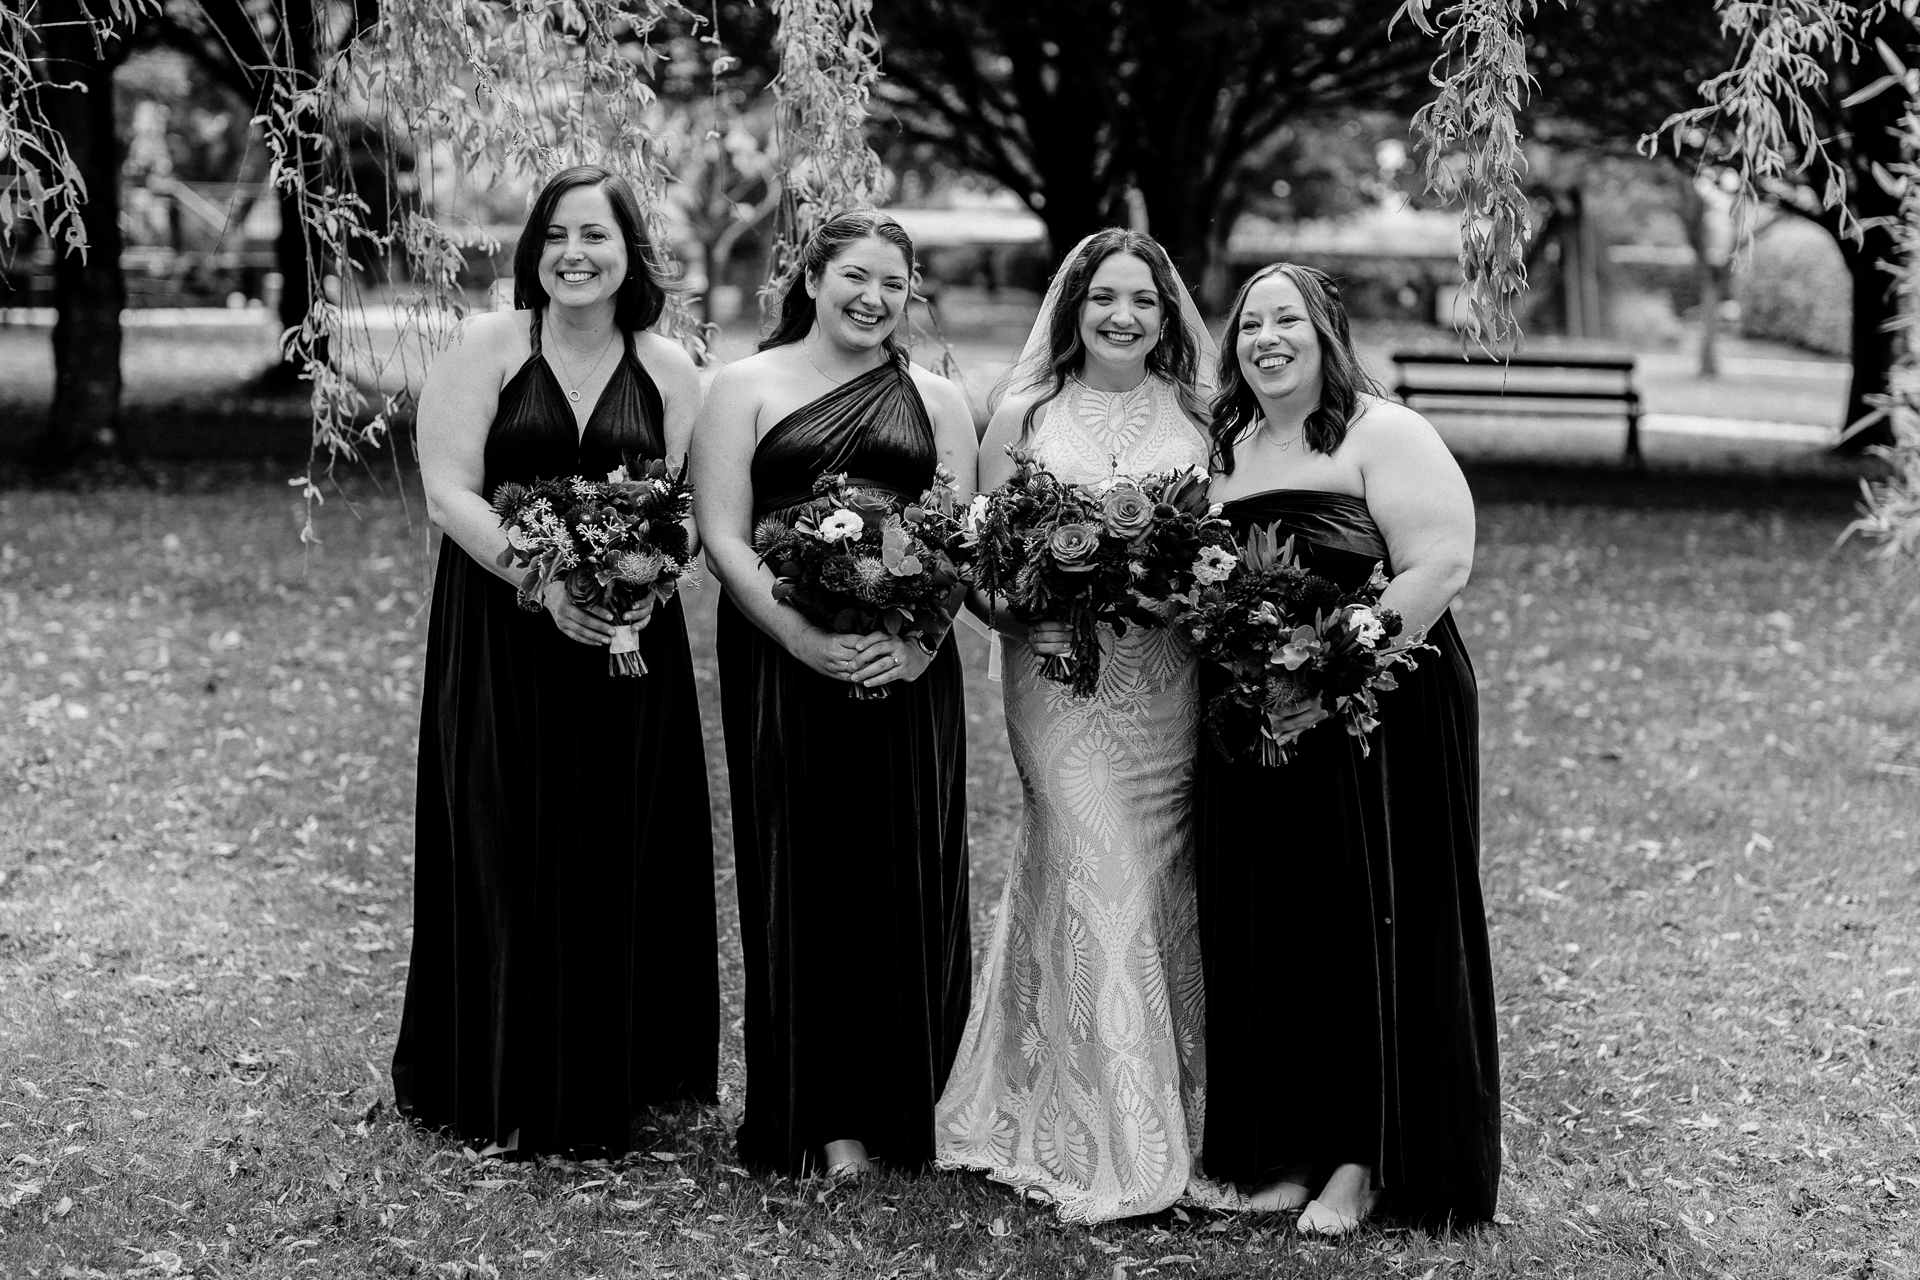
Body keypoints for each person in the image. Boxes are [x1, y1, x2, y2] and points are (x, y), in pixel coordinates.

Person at [393, 165, 717, 1158]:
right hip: (500, 631)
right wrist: (546, 581)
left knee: (613, 837)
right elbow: (449, 489)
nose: (575, 252)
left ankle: (610, 1071)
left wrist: (627, 583)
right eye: (557, 235)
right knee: (500, 827)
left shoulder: (670, 369)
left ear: (631, 255)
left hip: (626, 644)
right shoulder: (490, 347)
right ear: (535, 250)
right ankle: (489, 1070)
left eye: (598, 236)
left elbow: (691, 511)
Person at [1194, 263, 1498, 1233]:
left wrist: (1330, 667)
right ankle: (1286, 1144)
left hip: (1382, 713)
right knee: (1281, 929)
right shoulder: (1226, 445)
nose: (1266, 338)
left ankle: (1365, 1159)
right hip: (1261, 722)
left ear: (1329, 333)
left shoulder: (1384, 431)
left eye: (1288, 320)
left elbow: (1442, 560)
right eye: (1250, 323)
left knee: (1372, 923)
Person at [934, 229, 1216, 1222]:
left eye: (1143, 300)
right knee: (1089, 857)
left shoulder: (1199, 413)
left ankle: (1178, 1105)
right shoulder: (1024, 412)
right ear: (1073, 307)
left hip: (1167, 682)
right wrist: (1023, 608)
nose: (1124, 317)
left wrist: (1187, 594)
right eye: (1105, 298)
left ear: (1166, 313)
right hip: (1055, 677)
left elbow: (1220, 544)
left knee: (1157, 870)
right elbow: (975, 562)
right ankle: (1108, 1134)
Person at [693, 210, 979, 1177]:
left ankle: (912, 1100)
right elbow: (725, 537)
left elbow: (960, 539)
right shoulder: (743, 387)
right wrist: (804, 641)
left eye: (894, 285)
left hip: (907, 664)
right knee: (803, 866)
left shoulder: (938, 401)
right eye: (855, 276)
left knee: (903, 863)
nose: (873, 299)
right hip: (783, 657)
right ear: (810, 277)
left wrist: (920, 643)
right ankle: (821, 1115)